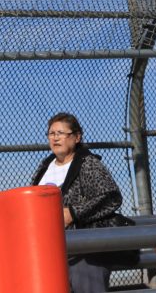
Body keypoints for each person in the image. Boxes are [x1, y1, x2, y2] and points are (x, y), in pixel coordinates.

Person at [31, 112, 124, 293]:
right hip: (49, 248)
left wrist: (73, 212)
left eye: (61, 133)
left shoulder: (87, 163)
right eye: (51, 133)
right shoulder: (45, 166)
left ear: (76, 137)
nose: (55, 138)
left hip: (84, 251)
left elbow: (111, 197)